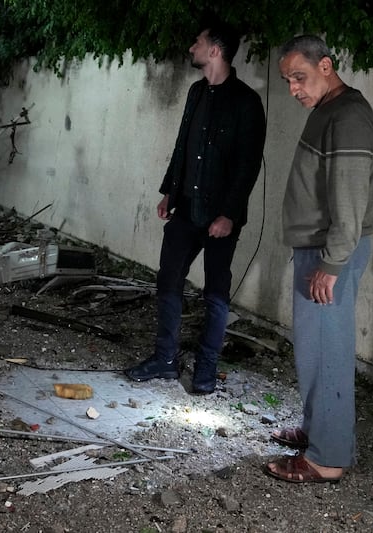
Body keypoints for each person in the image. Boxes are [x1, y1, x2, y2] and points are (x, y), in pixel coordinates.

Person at [124, 21, 266, 393]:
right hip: (186, 207)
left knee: (216, 293)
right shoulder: (195, 93)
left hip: (220, 216)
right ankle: (165, 360)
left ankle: (205, 370)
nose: (192, 48)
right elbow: (183, 146)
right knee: (168, 280)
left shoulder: (246, 102)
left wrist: (229, 215)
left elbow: (247, 165)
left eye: (198, 42)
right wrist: (170, 191)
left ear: (215, 50)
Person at [265, 35, 373, 483]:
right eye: (288, 80)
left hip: (331, 252)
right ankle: (319, 432)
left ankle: (327, 458)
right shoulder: (330, 111)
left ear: (327, 65)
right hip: (320, 248)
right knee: (313, 351)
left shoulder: (347, 115)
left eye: (300, 76)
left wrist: (331, 265)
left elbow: (349, 202)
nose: (294, 88)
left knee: (328, 352)